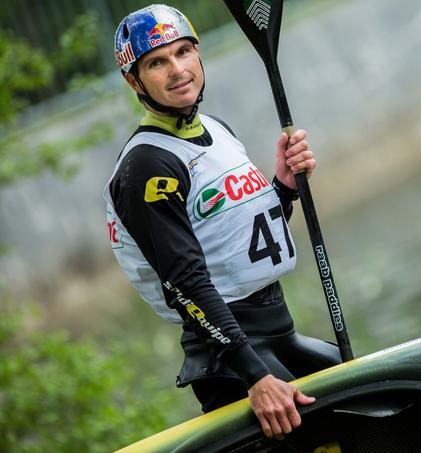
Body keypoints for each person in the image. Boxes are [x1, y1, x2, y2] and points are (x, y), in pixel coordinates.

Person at [105, 4, 341, 440]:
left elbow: (236, 245)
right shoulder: (147, 166)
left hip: (280, 334)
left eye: (184, 52)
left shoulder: (215, 130)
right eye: (157, 62)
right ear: (133, 80)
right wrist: (254, 376)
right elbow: (184, 281)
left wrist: (283, 188)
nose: (178, 70)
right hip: (231, 358)